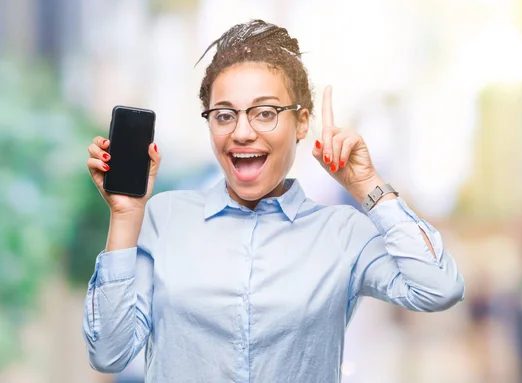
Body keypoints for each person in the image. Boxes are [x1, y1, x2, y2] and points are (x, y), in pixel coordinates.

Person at [82, 19, 465, 383]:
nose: (242, 131)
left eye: (265, 113)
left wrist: (368, 185)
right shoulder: (165, 218)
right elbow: (109, 354)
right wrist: (127, 214)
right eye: (224, 115)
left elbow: (438, 288)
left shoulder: (342, 233)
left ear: (302, 122)